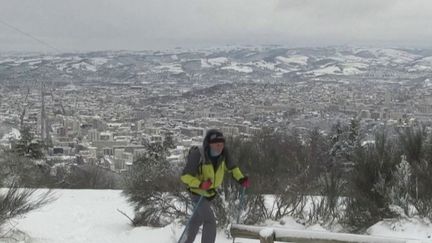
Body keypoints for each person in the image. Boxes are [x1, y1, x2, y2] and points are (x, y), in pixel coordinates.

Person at [180, 129, 250, 243]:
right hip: (197, 192)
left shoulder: (223, 154)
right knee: (210, 221)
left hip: (209, 193)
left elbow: (233, 168)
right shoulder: (198, 154)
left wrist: (241, 179)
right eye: (217, 144)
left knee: (196, 220)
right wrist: (201, 184)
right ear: (209, 144)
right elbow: (185, 176)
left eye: (222, 144)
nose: (220, 147)